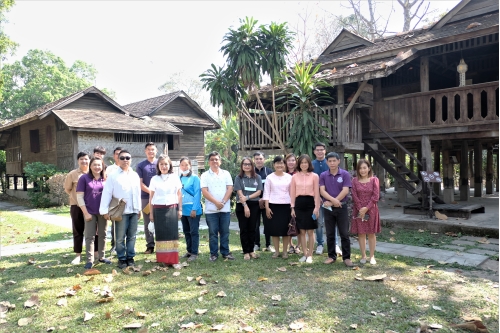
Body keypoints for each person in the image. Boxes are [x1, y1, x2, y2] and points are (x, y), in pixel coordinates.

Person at [99, 150, 142, 269]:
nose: (125, 160)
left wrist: (139, 209)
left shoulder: (134, 175)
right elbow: (107, 193)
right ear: (118, 159)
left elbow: (137, 193)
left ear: (131, 159)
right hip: (120, 211)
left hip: (133, 210)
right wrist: (104, 211)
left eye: (127, 158)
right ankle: (122, 259)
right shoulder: (113, 175)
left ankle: (130, 257)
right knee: (119, 237)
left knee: (132, 236)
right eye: (122, 158)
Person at [76, 157, 111, 269]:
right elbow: (79, 197)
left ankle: (101, 256)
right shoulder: (84, 178)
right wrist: (85, 213)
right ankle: (90, 260)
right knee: (90, 236)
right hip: (89, 212)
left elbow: (110, 196)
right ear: (90, 166)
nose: (97, 167)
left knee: (103, 234)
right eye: (94, 165)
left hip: (103, 212)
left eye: (99, 165)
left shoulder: (105, 179)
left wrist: (108, 211)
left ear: (102, 166)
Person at [319, 152, 353, 267]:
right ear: (327, 162)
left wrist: (335, 201)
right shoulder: (323, 175)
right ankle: (331, 256)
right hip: (328, 208)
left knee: (344, 233)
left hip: (341, 207)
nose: (332, 163)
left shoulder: (344, 174)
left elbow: (345, 190)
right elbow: (322, 191)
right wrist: (333, 201)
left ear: (338, 161)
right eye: (330, 161)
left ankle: (347, 258)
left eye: (334, 160)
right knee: (329, 233)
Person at [148, 155, 183, 265]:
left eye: (166, 164)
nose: (164, 166)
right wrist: (151, 213)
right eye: (161, 164)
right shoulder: (154, 179)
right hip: (158, 210)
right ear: (158, 166)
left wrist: (180, 209)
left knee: (172, 234)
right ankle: (163, 259)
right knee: (161, 235)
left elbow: (179, 194)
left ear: (170, 165)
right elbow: (151, 197)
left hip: (172, 208)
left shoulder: (174, 177)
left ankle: (173, 260)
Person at [201, 151, 234, 262]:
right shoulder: (205, 175)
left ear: (220, 161)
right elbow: (204, 191)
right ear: (208, 162)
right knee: (213, 233)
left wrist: (223, 202)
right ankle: (213, 254)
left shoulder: (226, 173)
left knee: (225, 231)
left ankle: (225, 252)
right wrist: (216, 202)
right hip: (211, 210)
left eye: (216, 159)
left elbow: (230, 188)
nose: (214, 161)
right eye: (212, 159)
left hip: (225, 208)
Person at [312, 142, 341, 256]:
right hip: (316, 199)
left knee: (332, 222)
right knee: (319, 222)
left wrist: (333, 199)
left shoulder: (330, 163)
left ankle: (335, 244)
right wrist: (317, 197)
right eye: (317, 150)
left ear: (325, 151)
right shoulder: (311, 164)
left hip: (330, 199)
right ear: (314, 152)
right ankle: (320, 244)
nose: (319, 151)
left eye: (321, 149)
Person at [290, 154, 321, 264]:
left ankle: (310, 255)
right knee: (302, 231)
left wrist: (316, 208)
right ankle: (304, 253)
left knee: (311, 231)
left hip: (310, 204)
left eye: (306, 162)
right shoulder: (294, 177)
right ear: (299, 164)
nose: (304, 164)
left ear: (309, 164)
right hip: (298, 204)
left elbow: (317, 193)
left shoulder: (315, 176)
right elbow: (292, 193)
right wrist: (292, 207)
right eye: (302, 162)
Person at [351, 159, 381, 265]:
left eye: (364, 168)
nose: (362, 170)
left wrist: (366, 208)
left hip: (371, 210)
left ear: (369, 168)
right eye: (360, 168)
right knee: (361, 233)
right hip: (358, 210)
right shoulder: (354, 180)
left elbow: (375, 196)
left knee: (371, 233)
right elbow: (354, 196)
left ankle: (372, 256)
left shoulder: (374, 180)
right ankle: (363, 256)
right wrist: (360, 209)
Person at [262, 156, 292, 259]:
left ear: (284, 165)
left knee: (285, 230)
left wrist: (292, 208)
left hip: (286, 206)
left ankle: (285, 252)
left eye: (281, 163)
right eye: (277, 163)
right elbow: (266, 193)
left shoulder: (289, 177)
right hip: (273, 206)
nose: (279, 165)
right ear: (274, 165)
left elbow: (292, 193)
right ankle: (276, 252)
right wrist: (267, 207)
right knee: (274, 230)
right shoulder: (269, 177)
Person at [64, 152, 90, 265]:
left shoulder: (93, 172)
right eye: (81, 159)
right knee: (78, 230)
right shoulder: (73, 174)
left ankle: (95, 253)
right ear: (78, 161)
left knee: (94, 231)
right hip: (76, 206)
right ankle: (78, 255)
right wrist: (76, 198)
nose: (84, 161)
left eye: (86, 159)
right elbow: (68, 189)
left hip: (91, 207)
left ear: (89, 160)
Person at [234, 157, 262, 260]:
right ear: (242, 166)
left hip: (254, 205)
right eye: (244, 164)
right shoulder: (238, 178)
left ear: (252, 166)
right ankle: (246, 251)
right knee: (244, 228)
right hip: (241, 205)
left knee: (252, 228)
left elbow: (259, 192)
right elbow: (239, 192)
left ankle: (251, 250)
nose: (246, 166)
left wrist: (248, 197)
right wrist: (245, 205)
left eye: (249, 164)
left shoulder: (257, 177)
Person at [179, 157, 203, 261]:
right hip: (183, 210)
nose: (184, 167)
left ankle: (194, 252)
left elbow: (198, 194)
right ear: (180, 166)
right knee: (186, 231)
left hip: (193, 209)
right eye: (182, 165)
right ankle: (189, 250)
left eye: (186, 165)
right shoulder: (178, 178)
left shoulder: (195, 178)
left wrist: (194, 209)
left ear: (190, 166)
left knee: (194, 231)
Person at [136, 142, 158, 254]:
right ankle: (150, 245)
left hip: (161, 198)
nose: (151, 151)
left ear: (156, 151)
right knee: (148, 222)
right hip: (146, 197)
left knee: (160, 221)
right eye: (148, 149)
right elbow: (140, 183)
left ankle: (161, 244)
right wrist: (151, 192)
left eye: (152, 149)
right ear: (145, 151)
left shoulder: (161, 163)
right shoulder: (141, 165)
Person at [253, 152, 274, 253]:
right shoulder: (250, 172)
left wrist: (264, 199)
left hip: (267, 202)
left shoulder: (269, 171)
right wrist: (257, 199)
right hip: (254, 202)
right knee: (255, 224)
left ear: (264, 159)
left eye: (260, 158)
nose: (258, 160)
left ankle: (268, 244)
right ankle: (256, 244)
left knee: (268, 223)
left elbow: (272, 188)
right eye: (256, 159)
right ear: (254, 160)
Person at [105, 147, 122, 255]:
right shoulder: (110, 169)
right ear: (114, 156)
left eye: (121, 154)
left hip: (125, 200)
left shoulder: (128, 168)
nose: (119, 156)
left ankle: (122, 246)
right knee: (115, 224)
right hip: (114, 200)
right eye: (117, 154)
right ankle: (114, 245)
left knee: (125, 224)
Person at [285, 153, 301, 254]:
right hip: (286, 201)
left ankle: (298, 245)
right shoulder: (282, 173)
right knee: (289, 223)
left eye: (293, 160)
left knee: (299, 223)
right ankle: (290, 245)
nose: (291, 162)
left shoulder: (299, 173)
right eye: (289, 160)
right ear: (286, 162)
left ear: (296, 162)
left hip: (298, 201)